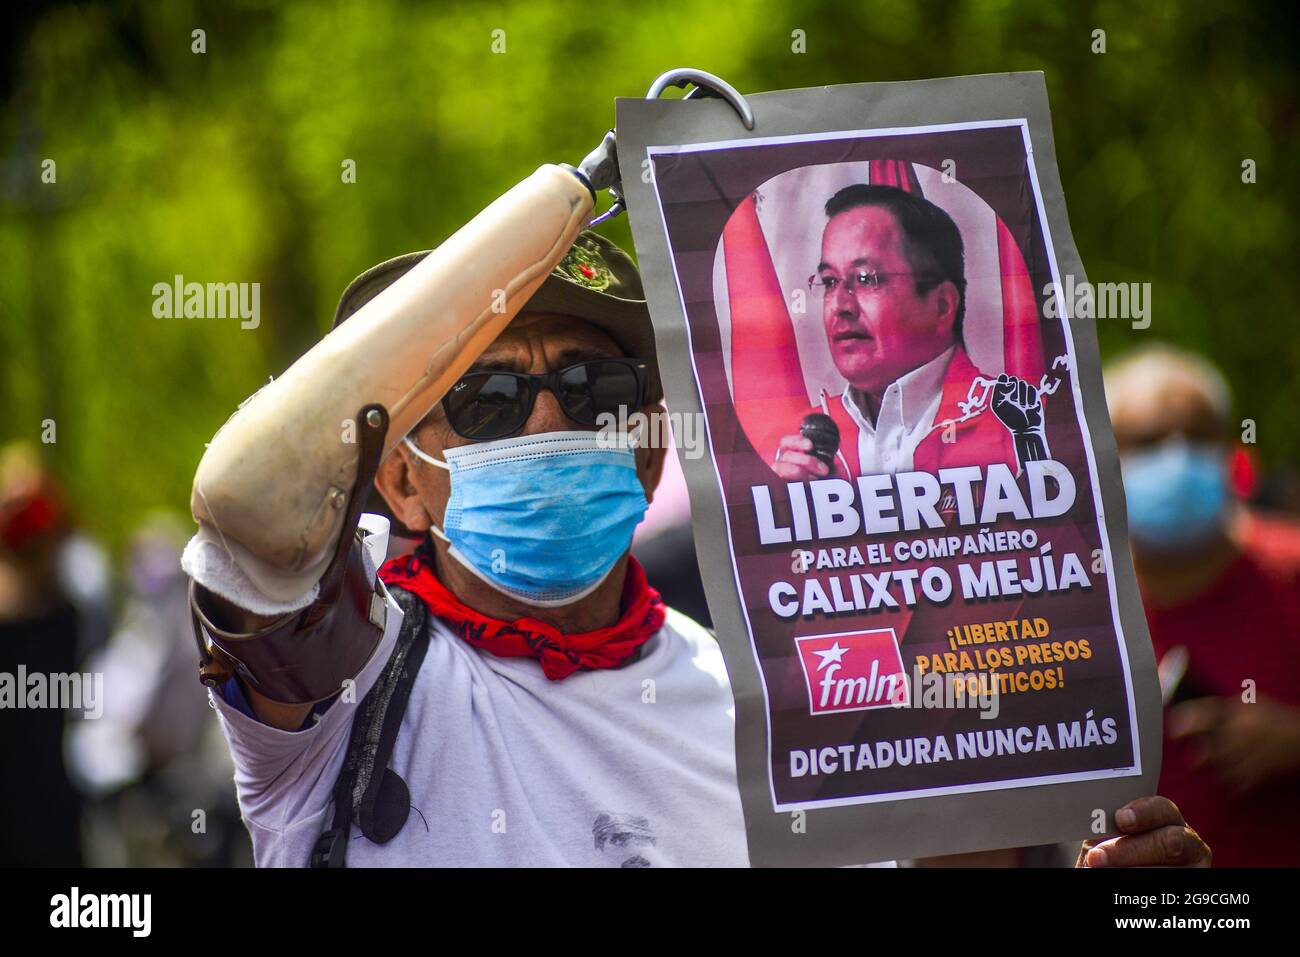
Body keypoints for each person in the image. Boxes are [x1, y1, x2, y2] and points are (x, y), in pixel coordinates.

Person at [183, 157, 1208, 867]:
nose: (548, 417)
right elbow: (244, 498)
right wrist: (564, 194)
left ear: (652, 443)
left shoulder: (771, 707)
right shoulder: (343, 687)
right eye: (483, 400)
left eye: (591, 387)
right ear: (398, 480)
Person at [1107, 344, 1300, 866]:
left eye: (1197, 436)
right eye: (1147, 442)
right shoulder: (1082, 610)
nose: (1176, 457)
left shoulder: (1291, 570)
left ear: (1232, 454)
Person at [772, 185, 1040, 482]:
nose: (840, 305)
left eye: (865, 279)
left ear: (941, 305)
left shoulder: (1018, 424)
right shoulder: (802, 445)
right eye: (830, 281)